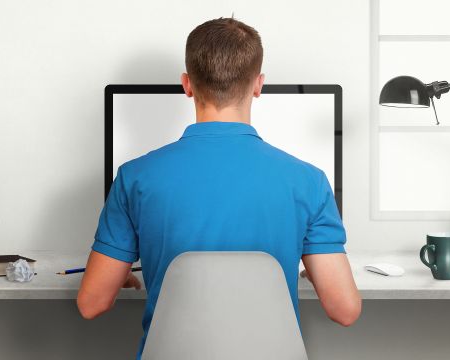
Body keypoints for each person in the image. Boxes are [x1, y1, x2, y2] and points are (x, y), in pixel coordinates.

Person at [77, 16, 361, 359]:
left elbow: (92, 304)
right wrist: (315, 272)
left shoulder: (134, 177)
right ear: (258, 85)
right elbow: (344, 310)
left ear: (187, 84)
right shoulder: (309, 182)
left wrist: (118, 271)